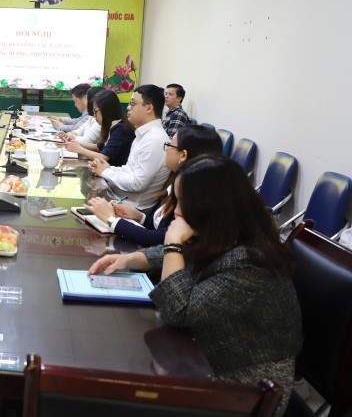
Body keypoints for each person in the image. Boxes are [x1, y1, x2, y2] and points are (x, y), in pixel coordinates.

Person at [89, 155, 302, 417]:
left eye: (184, 203)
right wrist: (131, 259)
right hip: (204, 354)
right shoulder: (226, 231)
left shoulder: (249, 262)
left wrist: (173, 244)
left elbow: (177, 311)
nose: (176, 212)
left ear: (211, 207)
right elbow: (189, 253)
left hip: (246, 386)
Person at [85, 124, 222, 246]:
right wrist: (139, 217)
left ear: (183, 155)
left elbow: (162, 239)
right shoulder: (176, 180)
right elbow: (160, 227)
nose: (166, 149)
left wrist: (111, 219)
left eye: (170, 145)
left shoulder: (192, 194)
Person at [89, 84, 170, 211]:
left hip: (133, 208)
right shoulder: (143, 134)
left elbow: (137, 184)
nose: (128, 107)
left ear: (149, 108)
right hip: (120, 197)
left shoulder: (154, 139)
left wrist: (105, 172)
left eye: (133, 103)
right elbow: (129, 170)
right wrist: (107, 168)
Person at [65, 90, 135, 166]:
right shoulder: (112, 125)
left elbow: (103, 157)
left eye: (95, 111)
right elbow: (98, 146)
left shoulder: (121, 129)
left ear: (106, 110)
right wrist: (77, 144)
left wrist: (78, 149)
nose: (94, 115)